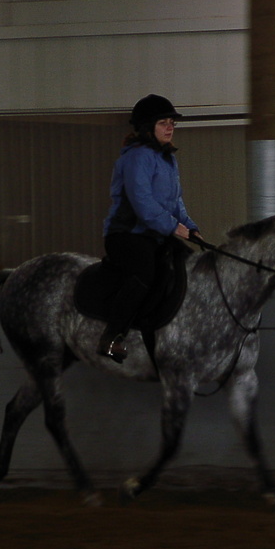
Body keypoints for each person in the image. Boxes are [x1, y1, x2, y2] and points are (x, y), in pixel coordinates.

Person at [98, 94, 202, 363]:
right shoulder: (137, 158)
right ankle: (112, 336)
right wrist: (175, 228)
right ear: (147, 127)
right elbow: (143, 204)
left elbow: (175, 202)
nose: (170, 128)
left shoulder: (167, 159)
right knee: (146, 270)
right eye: (163, 123)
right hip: (127, 235)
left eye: (172, 123)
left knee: (187, 265)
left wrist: (191, 227)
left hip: (156, 234)